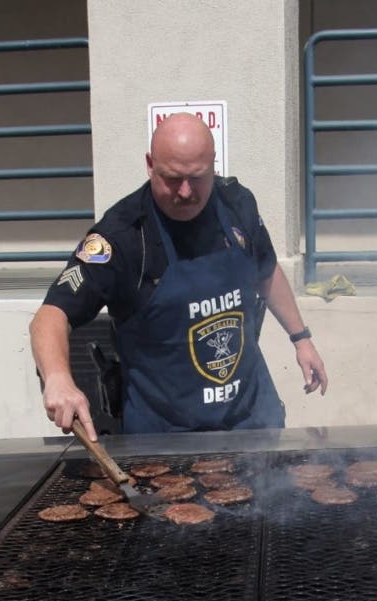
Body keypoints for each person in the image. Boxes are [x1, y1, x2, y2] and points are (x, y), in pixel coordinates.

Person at [30, 112, 327, 441]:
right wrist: (57, 377)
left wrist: (301, 339)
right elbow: (50, 315)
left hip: (252, 421)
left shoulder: (237, 205)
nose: (185, 192)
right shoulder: (121, 237)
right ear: (149, 164)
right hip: (165, 439)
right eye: (172, 178)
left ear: (213, 164)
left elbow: (265, 270)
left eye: (197, 177)